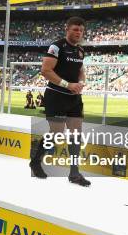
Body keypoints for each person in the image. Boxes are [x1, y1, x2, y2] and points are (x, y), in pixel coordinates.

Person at [29, 16, 91, 187]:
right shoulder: (57, 46)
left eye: (81, 30)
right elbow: (45, 70)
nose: (78, 33)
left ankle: (74, 173)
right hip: (56, 96)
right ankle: (35, 161)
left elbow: (80, 70)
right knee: (56, 135)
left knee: (76, 135)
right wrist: (67, 84)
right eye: (75, 29)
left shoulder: (80, 50)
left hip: (74, 99)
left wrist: (81, 83)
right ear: (67, 29)